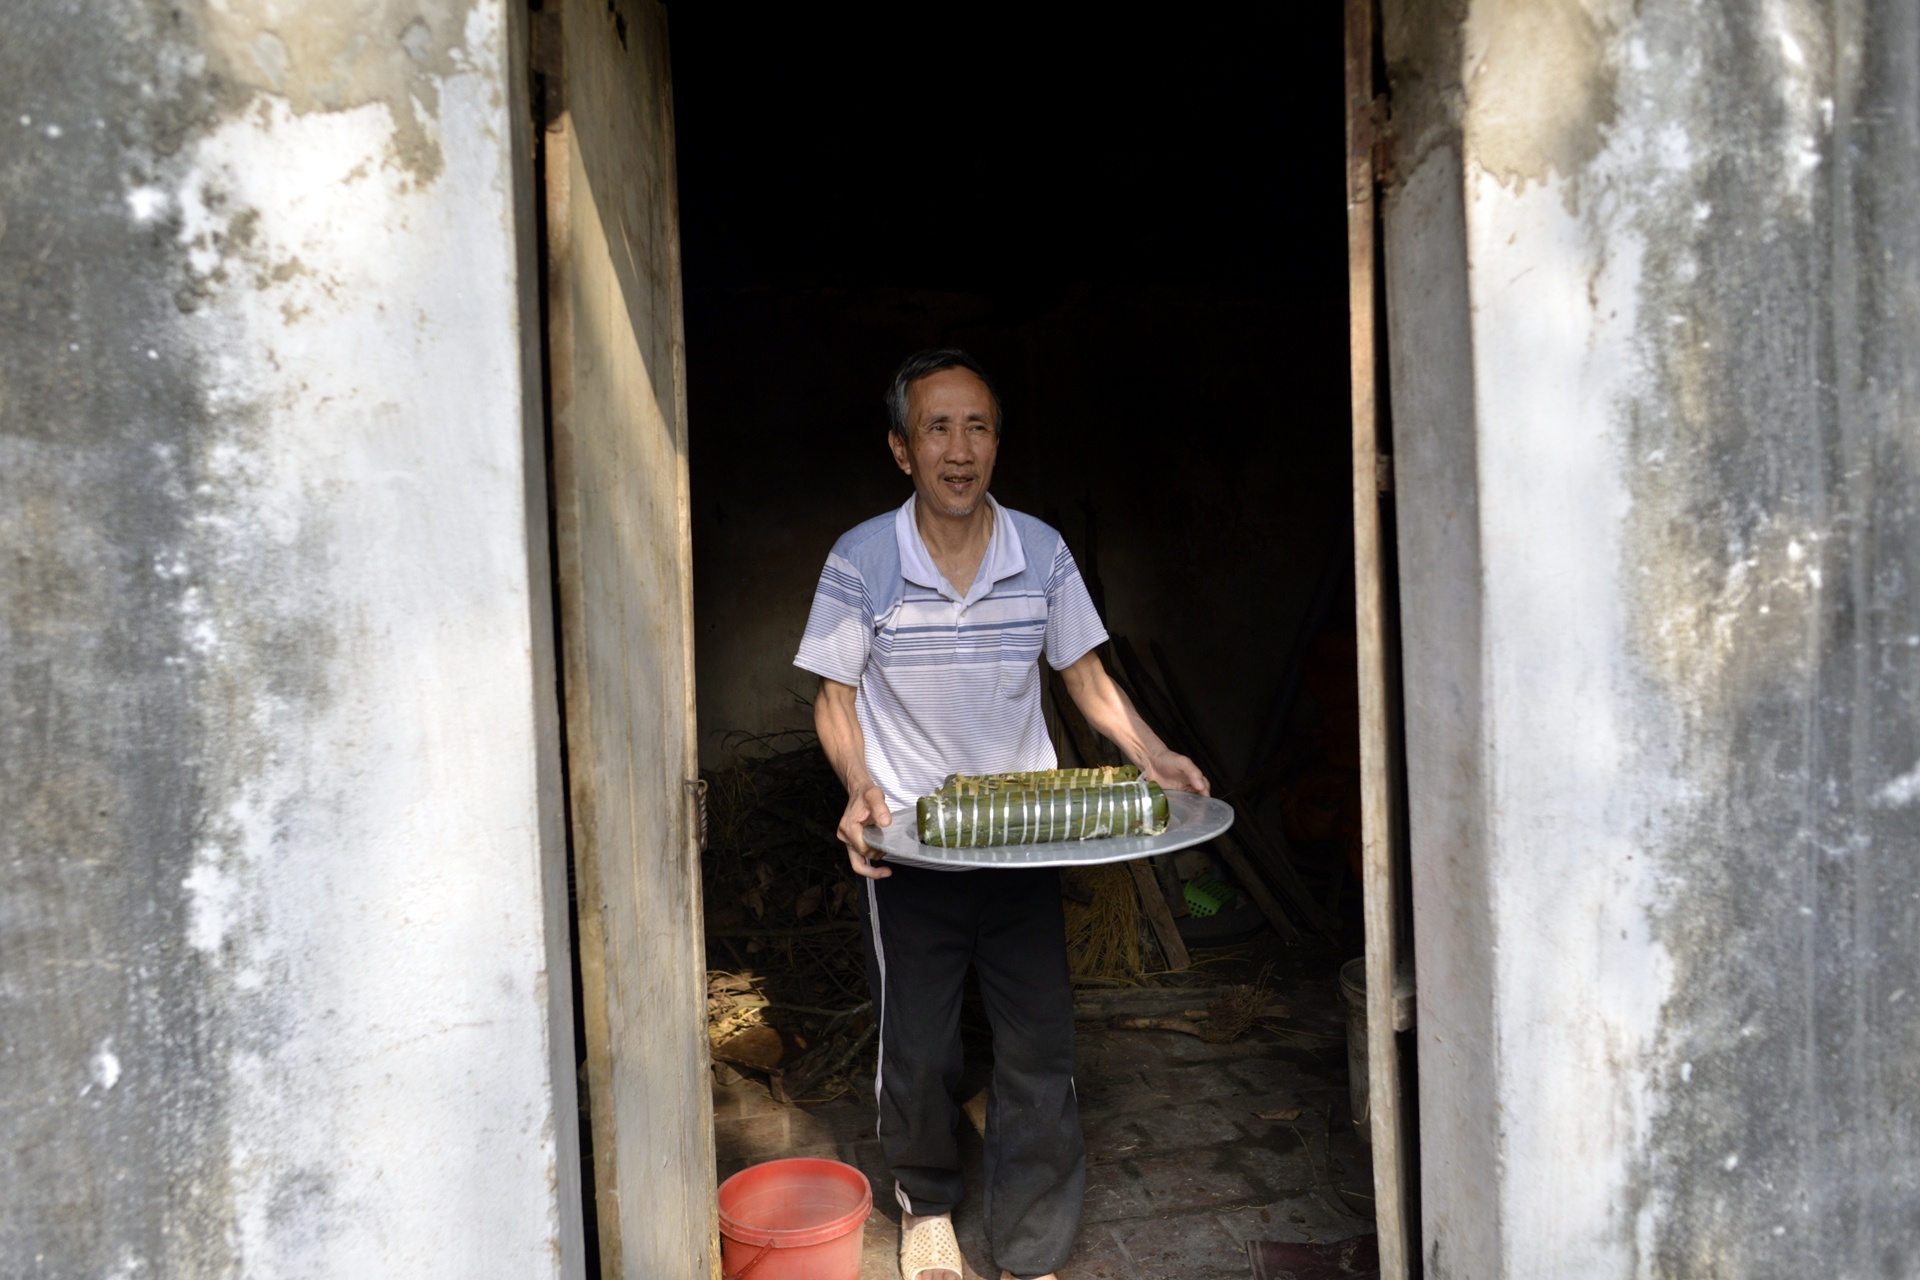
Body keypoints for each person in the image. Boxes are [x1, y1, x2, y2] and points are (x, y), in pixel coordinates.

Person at [795, 348, 1209, 1280]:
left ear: (997, 441)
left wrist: (1152, 755)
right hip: (909, 848)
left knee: (1039, 1046)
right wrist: (862, 788)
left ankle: (1031, 1242)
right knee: (921, 1047)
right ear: (902, 450)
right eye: (936, 427)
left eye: (977, 425)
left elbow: (1083, 673)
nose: (959, 448)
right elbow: (834, 695)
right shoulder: (863, 559)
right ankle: (928, 1206)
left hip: (1023, 846)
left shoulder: (1042, 550)